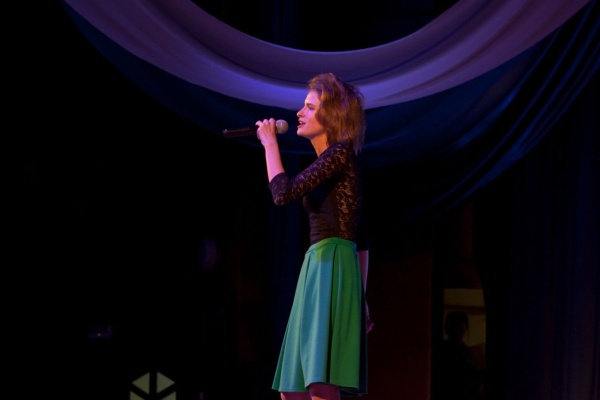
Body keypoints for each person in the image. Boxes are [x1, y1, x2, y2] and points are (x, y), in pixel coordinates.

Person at [256, 72, 373, 400]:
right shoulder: (328, 161)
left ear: (331, 115)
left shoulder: (340, 154)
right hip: (317, 265)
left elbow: (283, 193)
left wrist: (270, 144)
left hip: (332, 265)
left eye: (309, 107)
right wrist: (362, 298)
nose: (299, 112)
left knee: (320, 383)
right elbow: (363, 238)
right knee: (291, 388)